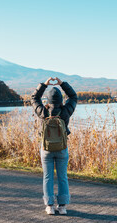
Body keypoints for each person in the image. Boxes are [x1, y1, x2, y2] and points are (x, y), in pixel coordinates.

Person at [31, 77, 77, 215]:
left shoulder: (43, 112)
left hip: (46, 149)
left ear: (47, 101)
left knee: (47, 176)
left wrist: (44, 84)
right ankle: (62, 207)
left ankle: (50, 206)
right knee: (62, 177)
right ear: (61, 100)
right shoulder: (66, 111)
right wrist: (62, 83)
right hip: (62, 148)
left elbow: (34, 98)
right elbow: (73, 96)